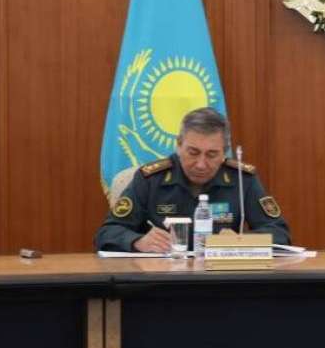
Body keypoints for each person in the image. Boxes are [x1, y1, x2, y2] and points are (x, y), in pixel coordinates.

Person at [95, 107, 291, 251]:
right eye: (193, 152)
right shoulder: (150, 179)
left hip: (221, 281)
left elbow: (280, 233)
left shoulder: (242, 179)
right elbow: (107, 233)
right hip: (161, 281)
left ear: (224, 152)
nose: (201, 164)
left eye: (212, 154)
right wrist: (137, 241)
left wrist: (243, 241)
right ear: (179, 145)